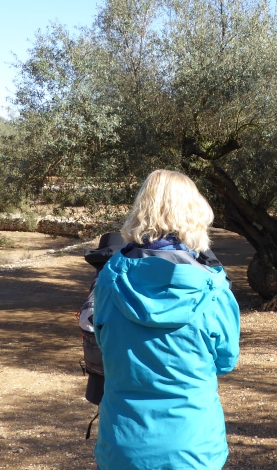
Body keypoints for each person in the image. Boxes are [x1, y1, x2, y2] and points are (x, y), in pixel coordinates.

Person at [93, 170, 240, 470]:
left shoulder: (108, 281)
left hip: (124, 446)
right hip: (193, 447)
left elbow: (103, 342)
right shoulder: (213, 288)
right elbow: (226, 360)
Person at [76, 232, 125, 409]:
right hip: (108, 365)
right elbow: (89, 318)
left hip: (102, 364)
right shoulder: (107, 280)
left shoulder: (102, 277)